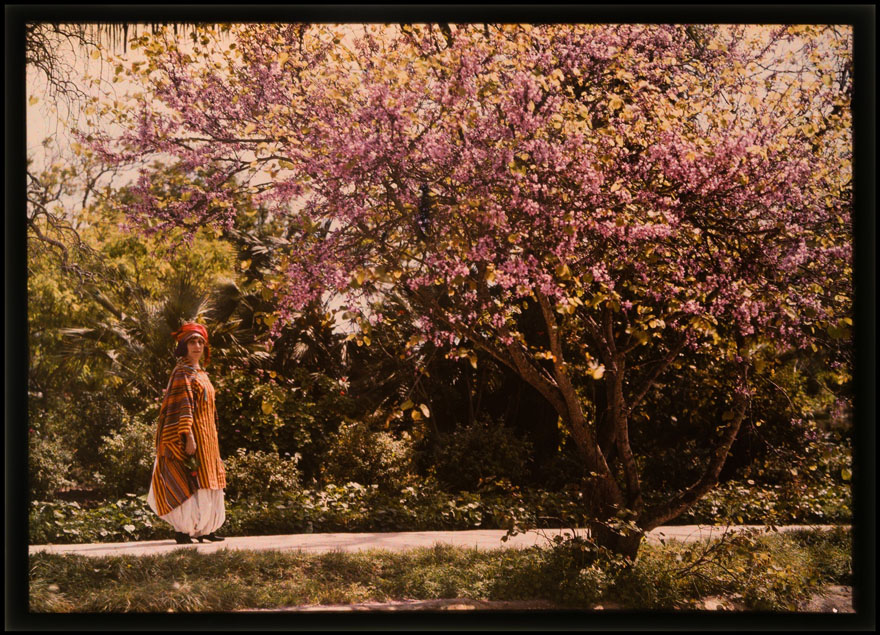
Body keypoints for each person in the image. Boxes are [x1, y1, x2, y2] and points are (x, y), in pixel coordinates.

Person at [147, 322, 227, 544]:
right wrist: (188, 436)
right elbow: (183, 407)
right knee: (191, 479)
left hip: (208, 437)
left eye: (200, 342)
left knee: (209, 479)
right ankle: (184, 530)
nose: (197, 346)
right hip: (192, 436)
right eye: (192, 341)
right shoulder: (182, 372)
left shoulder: (201, 373)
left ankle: (206, 529)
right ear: (183, 345)